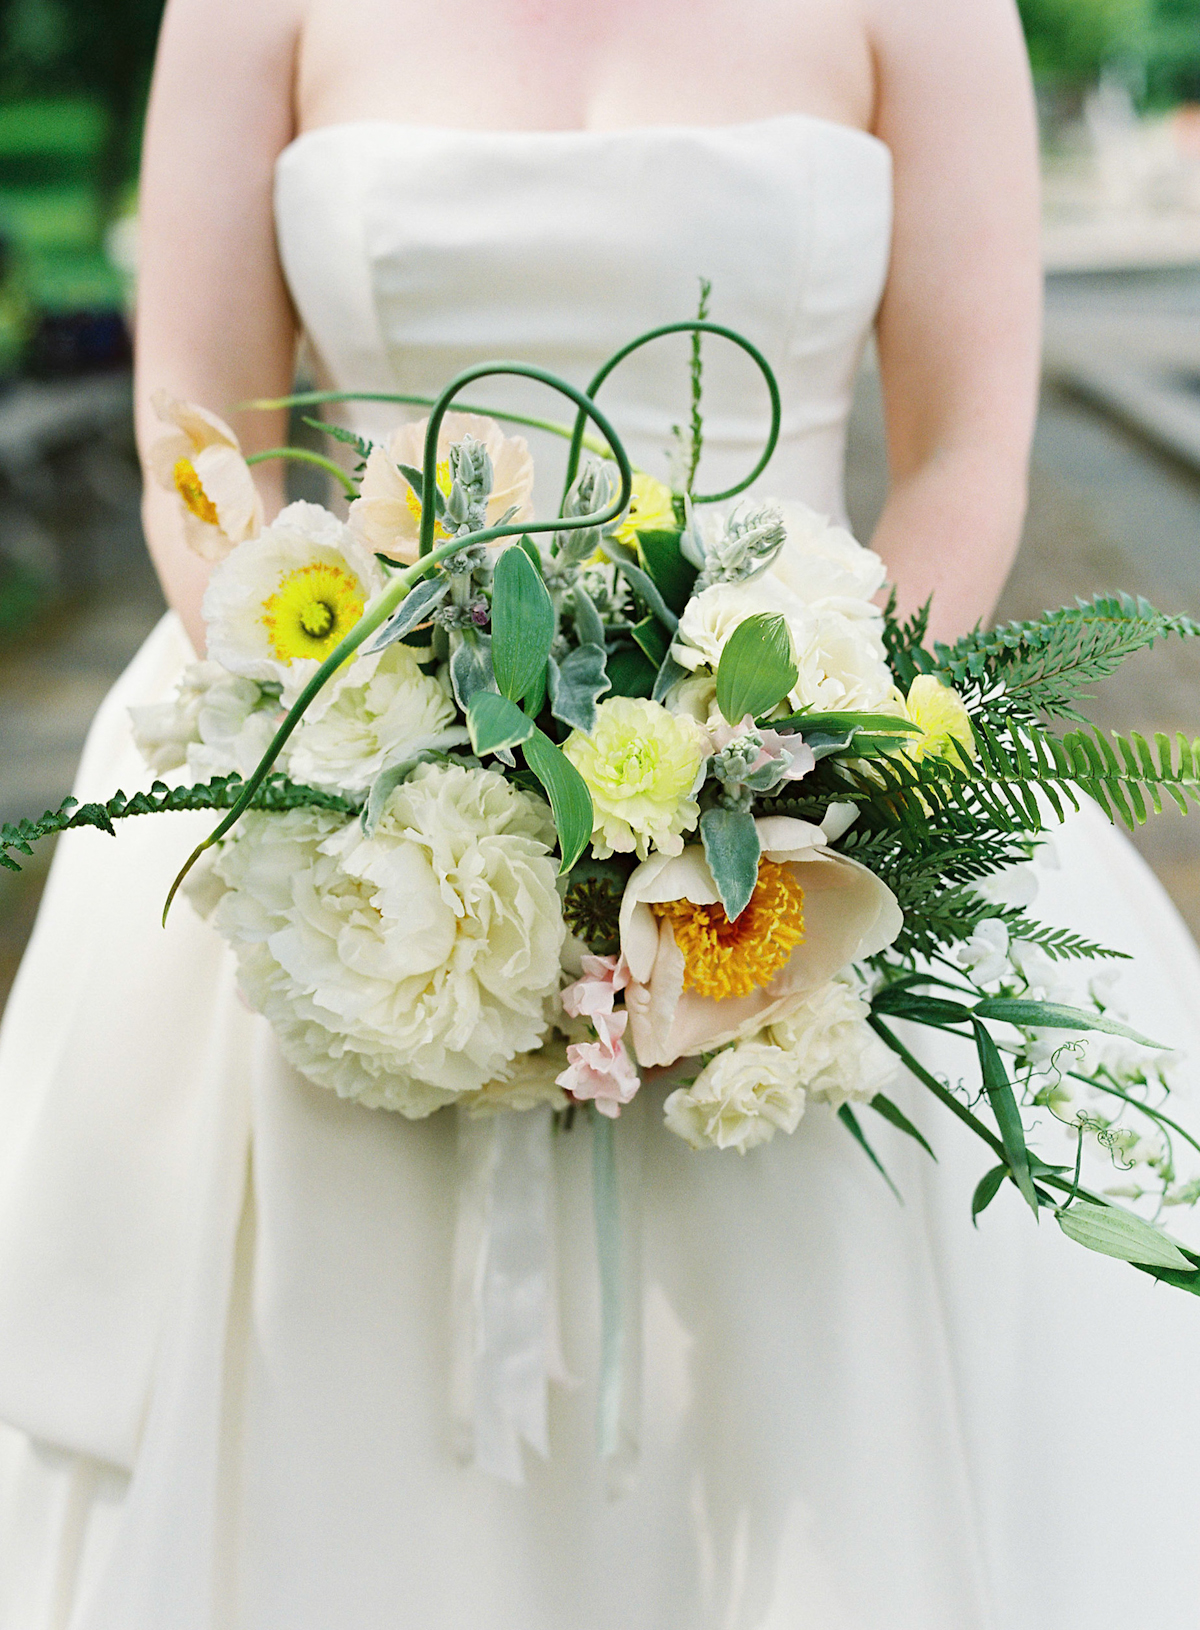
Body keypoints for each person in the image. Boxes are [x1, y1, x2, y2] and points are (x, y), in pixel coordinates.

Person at [1, 1, 1199, 1626]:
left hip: (787, 830)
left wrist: (797, 766)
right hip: (354, 800)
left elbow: (968, 450)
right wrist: (378, 764)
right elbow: (192, 442)